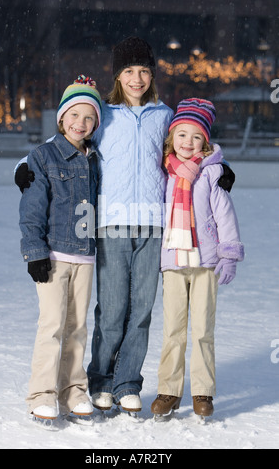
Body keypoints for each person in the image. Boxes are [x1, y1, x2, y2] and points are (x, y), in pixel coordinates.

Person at [14, 37, 236, 415]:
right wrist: (26, 162)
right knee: (113, 309)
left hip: (154, 225)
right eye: (130, 71)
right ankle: (100, 381)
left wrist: (221, 164)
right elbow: (69, 137)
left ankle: (128, 381)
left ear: (152, 75)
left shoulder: (164, 115)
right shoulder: (105, 115)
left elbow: (192, 141)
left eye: (144, 71)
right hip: (111, 224)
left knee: (142, 310)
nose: (137, 79)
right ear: (118, 75)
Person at [151, 98, 244, 420]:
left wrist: (228, 253)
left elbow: (225, 215)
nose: (188, 142)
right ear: (171, 139)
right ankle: (169, 390)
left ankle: (203, 391)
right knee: (173, 330)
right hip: (174, 261)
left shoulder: (212, 173)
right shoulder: (164, 173)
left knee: (203, 329)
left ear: (204, 142)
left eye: (195, 137)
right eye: (182, 135)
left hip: (206, 262)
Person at [19, 75, 102, 422]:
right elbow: (33, 206)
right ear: (61, 118)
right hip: (53, 255)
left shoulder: (96, 159)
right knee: (52, 325)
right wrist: (34, 251)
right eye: (74, 115)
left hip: (84, 256)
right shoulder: (44, 156)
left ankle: (74, 390)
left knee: (78, 327)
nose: (80, 124)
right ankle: (42, 393)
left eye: (88, 118)